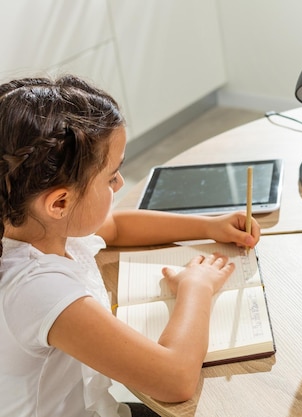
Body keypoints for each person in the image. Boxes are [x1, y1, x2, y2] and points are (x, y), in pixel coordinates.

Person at [0, 75, 261, 417]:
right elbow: (174, 379)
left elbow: (118, 225)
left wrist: (209, 225)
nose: (121, 182)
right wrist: (195, 287)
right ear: (60, 203)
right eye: (111, 176)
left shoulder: (36, 226)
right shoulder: (37, 288)